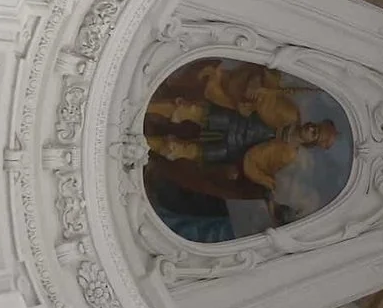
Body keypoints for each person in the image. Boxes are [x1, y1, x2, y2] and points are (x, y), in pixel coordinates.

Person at [144, 63, 337, 219]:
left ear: (311, 143)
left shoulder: (288, 154)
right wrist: (256, 84)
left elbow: (264, 171)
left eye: (315, 134)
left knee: (181, 149)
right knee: (187, 110)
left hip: (231, 150)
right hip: (232, 119)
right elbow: (268, 93)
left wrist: (270, 194)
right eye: (315, 127)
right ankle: (146, 106)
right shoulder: (291, 114)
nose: (311, 129)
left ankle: (143, 143)